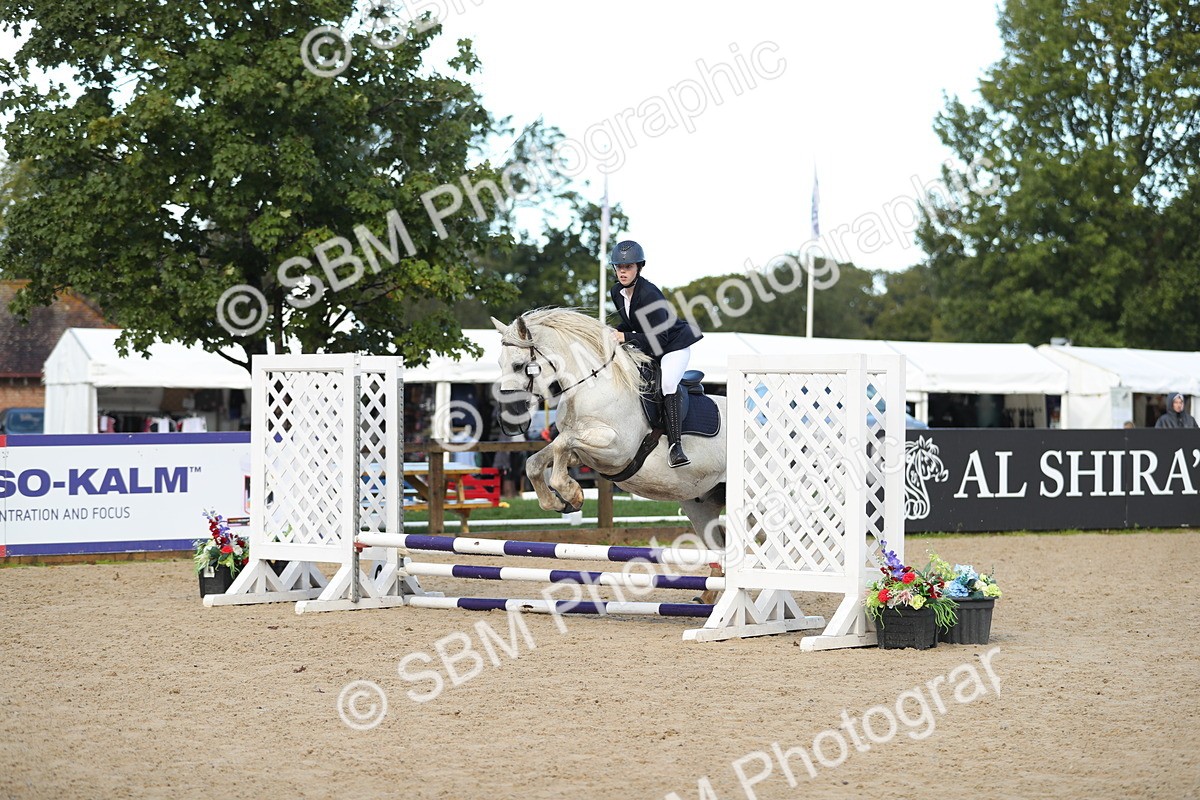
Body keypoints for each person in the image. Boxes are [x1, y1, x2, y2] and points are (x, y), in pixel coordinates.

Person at [608, 239, 702, 468]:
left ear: (639, 267)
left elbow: (659, 340)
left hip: (673, 346)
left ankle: (676, 447)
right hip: (650, 344)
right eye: (619, 267)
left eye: (628, 267)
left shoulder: (650, 294)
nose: (623, 271)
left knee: (668, 384)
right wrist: (613, 331)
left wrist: (625, 338)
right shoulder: (617, 291)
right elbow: (633, 321)